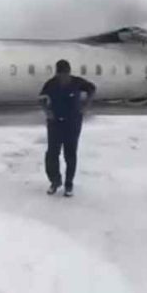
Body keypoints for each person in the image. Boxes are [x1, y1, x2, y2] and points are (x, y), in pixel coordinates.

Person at [39, 59, 96, 197]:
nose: (63, 78)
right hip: (55, 124)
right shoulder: (51, 84)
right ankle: (55, 181)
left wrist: (86, 105)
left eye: (65, 75)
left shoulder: (77, 82)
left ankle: (68, 184)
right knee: (52, 155)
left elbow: (92, 89)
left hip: (72, 123)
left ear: (69, 73)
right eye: (60, 75)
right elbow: (41, 98)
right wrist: (47, 111)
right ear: (57, 74)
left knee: (70, 155)